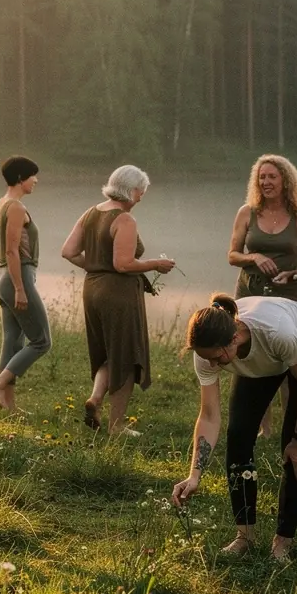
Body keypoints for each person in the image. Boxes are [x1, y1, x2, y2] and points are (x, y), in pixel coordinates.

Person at [172, 293, 297, 562]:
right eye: (207, 359)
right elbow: (209, 416)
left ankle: (283, 542)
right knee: (238, 434)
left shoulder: (276, 332)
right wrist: (194, 475)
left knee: (293, 450)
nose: (212, 364)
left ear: (233, 338)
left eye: (217, 358)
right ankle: (245, 537)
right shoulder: (208, 351)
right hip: (266, 357)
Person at [61, 165, 174, 434]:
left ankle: (95, 399)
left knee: (109, 351)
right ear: (131, 190)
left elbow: (68, 251)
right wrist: (156, 264)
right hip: (118, 294)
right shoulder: (124, 220)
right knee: (126, 355)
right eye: (141, 191)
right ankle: (116, 426)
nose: (141, 196)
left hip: (92, 289)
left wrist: (96, 267)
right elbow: (123, 264)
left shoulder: (91, 212)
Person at [227, 154, 297, 435]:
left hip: (287, 297)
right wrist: (253, 256)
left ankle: (290, 429)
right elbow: (232, 255)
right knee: (252, 358)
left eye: (272, 177)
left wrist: (293, 274)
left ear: (285, 181)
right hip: (249, 295)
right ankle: (262, 428)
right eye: (261, 177)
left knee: (291, 364)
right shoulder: (247, 212)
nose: (266, 182)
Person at [0, 155, 51, 411]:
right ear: (21, 178)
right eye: (33, 176)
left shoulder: (0, 204)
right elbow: (12, 250)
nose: (36, 180)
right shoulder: (16, 208)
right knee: (41, 341)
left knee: (13, 340)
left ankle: (8, 405)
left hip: (1, 276)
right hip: (16, 277)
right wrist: (20, 288)